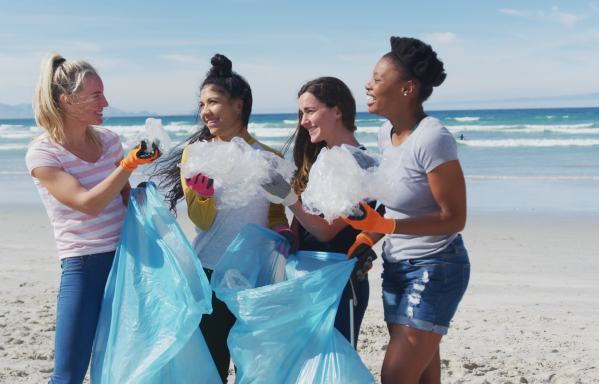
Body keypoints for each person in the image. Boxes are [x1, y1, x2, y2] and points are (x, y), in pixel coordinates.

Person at [151, 53, 291, 383]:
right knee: (212, 367)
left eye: (213, 102)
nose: (205, 112)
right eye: (202, 104)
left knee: (252, 366)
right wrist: (203, 196)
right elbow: (201, 221)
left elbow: (276, 213)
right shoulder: (194, 155)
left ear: (239, 105)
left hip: (255, 275)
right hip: (209, 271)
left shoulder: (268, 157)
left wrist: (287, 233)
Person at [343, 36, 471, 384]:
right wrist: (370, 235)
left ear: (407, 88)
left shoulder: (432, 137)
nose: (368, 85)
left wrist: (385, 227)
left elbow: (454, 218)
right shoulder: (387, 132)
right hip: (396, 265)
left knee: (396, 376)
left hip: (436, 266)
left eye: (378, 78)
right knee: (423, 373)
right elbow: (395, 199)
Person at [26, 53, 159, 384]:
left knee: (126, 365)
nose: (106, 102)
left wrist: (153, 196)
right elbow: (88, 204)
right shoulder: (43, 154)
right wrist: (128, 165)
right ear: (66, 100)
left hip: (126, 263)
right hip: (83, 266)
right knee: (68, 374)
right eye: (96, 95)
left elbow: (124, 198)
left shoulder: (110, 141)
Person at [262, 76, 378, 347]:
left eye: (310, 111)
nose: (303, 121)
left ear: (337, 110)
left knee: (334, 367)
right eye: (302, 113)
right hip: (306, 278)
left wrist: (288, 198)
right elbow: (302, 226)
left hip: (339, 284)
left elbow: (325, 231)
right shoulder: (319, 161)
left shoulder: (360, 164)